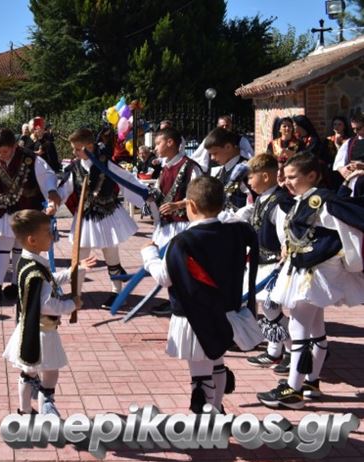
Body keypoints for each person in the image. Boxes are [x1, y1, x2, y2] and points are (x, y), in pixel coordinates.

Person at [142, 176, 262, 413]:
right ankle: (217, 408)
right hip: (226, 311)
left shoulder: (182, 242)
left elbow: (165, 277)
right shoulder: (236, 233)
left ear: (191, 205)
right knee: (216, 361)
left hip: (194, 315)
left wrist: (150, 256)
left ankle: (207, 419)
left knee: (200, 373)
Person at [257, 152, 364, 409]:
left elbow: (347, 224)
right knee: (315, 329)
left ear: (312, 176)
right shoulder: (303, 200)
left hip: (314, 273)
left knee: (299, 328)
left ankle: (293, 391)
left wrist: (333, 253)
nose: (286, 182)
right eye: (285, 177)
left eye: (293, 177)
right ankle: (311, 383)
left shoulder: (321, 201)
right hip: (306, 270)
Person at [2, 209, 95, 416]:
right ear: (32, 240)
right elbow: (47, 304)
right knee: (50, 372)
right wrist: (71, 304)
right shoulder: (35, 271)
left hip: (28, 328)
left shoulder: (28, 261)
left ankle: (25, 410)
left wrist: (74, 271)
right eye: (47, 232)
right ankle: (46, 406)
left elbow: (50, 280)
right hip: (42, 333)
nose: (52, 236)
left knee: (28, 371)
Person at [0, 128, 61, 300]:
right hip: (1, 213)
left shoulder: (31, 159)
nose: (1, 155)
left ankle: (17, 285)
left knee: (21, 249)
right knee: (1, 249)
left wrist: (51, 194)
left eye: (5, 151)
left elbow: (48, 176)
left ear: (14, 146)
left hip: (26, 214)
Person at [59, 128, 142, 302]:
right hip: (85, 217)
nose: (74, 152)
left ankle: (117, 292)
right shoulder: (74, 168)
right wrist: (53, 204)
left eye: (77, 149)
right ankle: (76, 294)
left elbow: (126, 179)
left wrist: (145, 197)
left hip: (107, 214)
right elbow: (64, 189)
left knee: (111, 255)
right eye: (73, 148)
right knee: (80, 255)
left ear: (90, 146)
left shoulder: (107, 163)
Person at [235, 154, 292, 373]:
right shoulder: (262, 198)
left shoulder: (280, 201)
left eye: (251, 177)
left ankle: (293, 350)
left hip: (274, 264)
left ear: (266, 176)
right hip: (261, 262)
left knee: (270, 308)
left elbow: (285, 232)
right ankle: (274, 351)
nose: (249, 182)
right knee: (268, 309)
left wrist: (284, 254)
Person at [148, 127, 202, 315]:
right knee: (170, 265)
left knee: (183, 266)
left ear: (170, 143)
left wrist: (177, 204)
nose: (155, 148)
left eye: (158, 143)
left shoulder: (190, 167)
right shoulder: (165, 167)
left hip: (183, 224)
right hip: (167, 225)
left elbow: (199, 196)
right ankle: (174, 301)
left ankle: (184, 302)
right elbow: (159, 190)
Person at [204, 127, 250, 213]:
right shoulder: (222, 170)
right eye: (210, 154)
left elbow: (253, 204)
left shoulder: (246, 170)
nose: (212, 158)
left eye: (215, 153)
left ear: (228, 147)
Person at [190, 115, 254, 173]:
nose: (224, 128)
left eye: (227, 125)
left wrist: (237, 151)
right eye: (222, 126)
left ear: (231, 126)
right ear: (217, 126)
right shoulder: (211, 140)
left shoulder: (240, 140)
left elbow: (251, 157)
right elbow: (200, 158)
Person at [333, 113, 364, 197]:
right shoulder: (350, 142)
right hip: (353, 182)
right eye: (353, 129)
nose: (356, 132)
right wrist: (343, 169)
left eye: (358, 128)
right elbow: (339, 163)